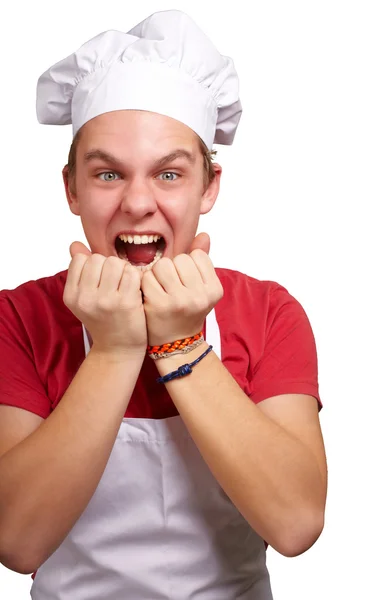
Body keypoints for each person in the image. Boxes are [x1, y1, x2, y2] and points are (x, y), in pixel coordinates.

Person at [0, 9, 327, 599]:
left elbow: (296, 524)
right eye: (108, 175)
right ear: (72, 188)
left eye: (169, 174)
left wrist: (182, 348)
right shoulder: (19, 318)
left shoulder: (268, 311)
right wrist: (116, 349)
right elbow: (18, 541)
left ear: (210, 187)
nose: (138, 203)